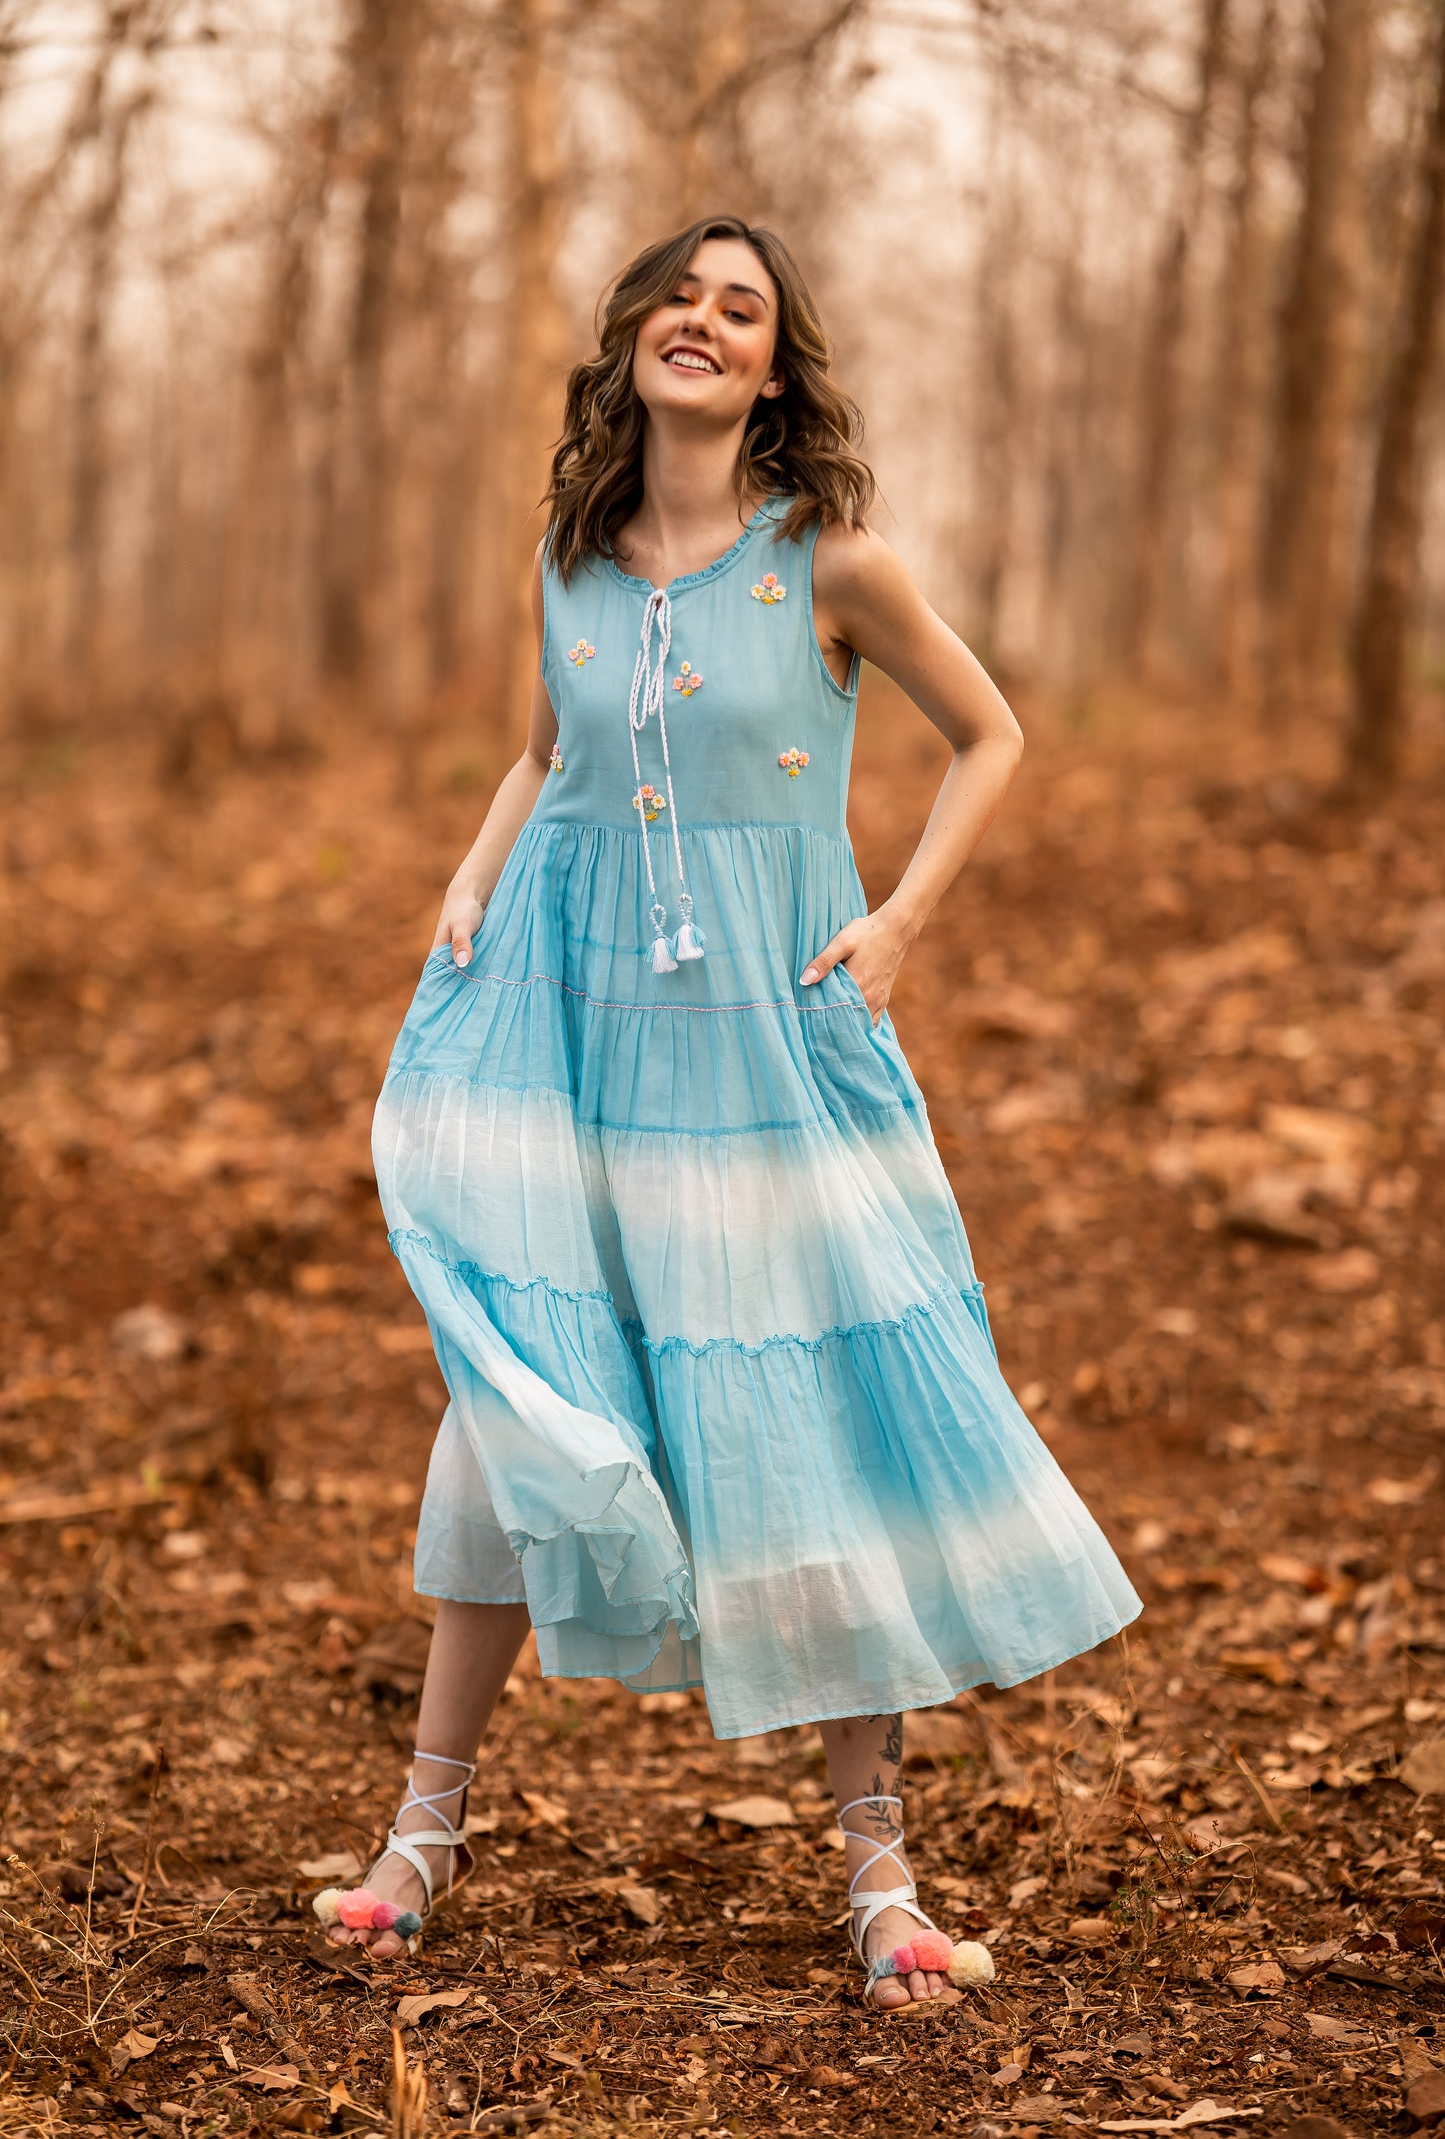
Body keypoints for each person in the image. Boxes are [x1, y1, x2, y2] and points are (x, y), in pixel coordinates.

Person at [316, 215, 1140, 2008]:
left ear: (774, 369)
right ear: (632, 342)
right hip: (571, 1032)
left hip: (767, 1041)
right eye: (678, 298)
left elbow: (990, 734)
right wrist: (469, 881)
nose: (702, 321)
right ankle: (421, 1834)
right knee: (521, 1382)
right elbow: (550, 751)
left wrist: (903, 918)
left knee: (808, 1398)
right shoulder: (571, 557)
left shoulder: (833, 561)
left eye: (740, 309)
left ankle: (877, 1873)